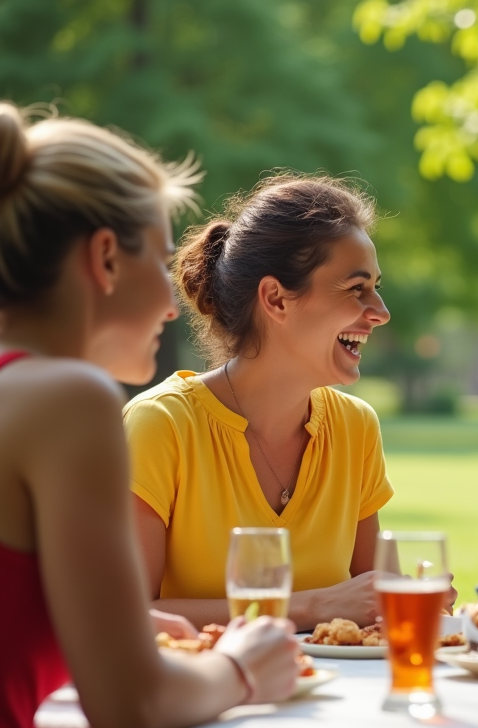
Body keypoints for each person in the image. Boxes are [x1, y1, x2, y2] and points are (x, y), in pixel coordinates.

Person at [0, 103, 300, 728]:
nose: (174, 301)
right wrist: (242, 667)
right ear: (105, 258)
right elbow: (131, 706)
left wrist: (109, 628)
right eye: (162, 262)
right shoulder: (67, 400)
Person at [125, 173, 439, 631]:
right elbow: (126, 615)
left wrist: (408, 598)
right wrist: (307, 607)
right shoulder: (162, 425)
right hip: (208, 698)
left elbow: (374, 598)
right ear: (275, 298)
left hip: (334, 699)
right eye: (356, 288)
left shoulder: (355, 427)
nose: (381, 311)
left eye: (376, 286)